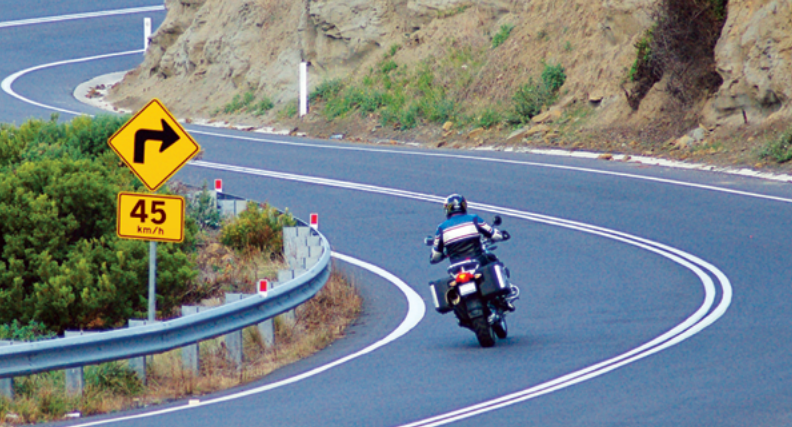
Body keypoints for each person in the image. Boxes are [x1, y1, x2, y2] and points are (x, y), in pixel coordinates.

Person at [430, 194, 517, 311]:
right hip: (477, 259)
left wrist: (442, 255)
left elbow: (435, 256)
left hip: (456, 267)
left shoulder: (441, 228)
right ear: (464, 206)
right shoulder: (474, 219)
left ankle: (462, 311)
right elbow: (494, 234)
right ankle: (505, 297)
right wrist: (502, 235)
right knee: (494, 261)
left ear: (447, 209)